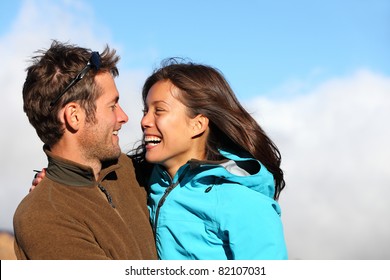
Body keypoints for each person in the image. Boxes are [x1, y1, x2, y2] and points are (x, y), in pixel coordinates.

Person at [131, 58, 288, 259]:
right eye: (146, 111)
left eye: (159, 110)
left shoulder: (243, 203)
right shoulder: (140, 185)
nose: (144, 121)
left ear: (198, 125)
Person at [13, 41, 156, 259]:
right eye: (112, 106)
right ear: (74, 116)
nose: (123, 117)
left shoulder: (130, 170)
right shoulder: (43, 215)